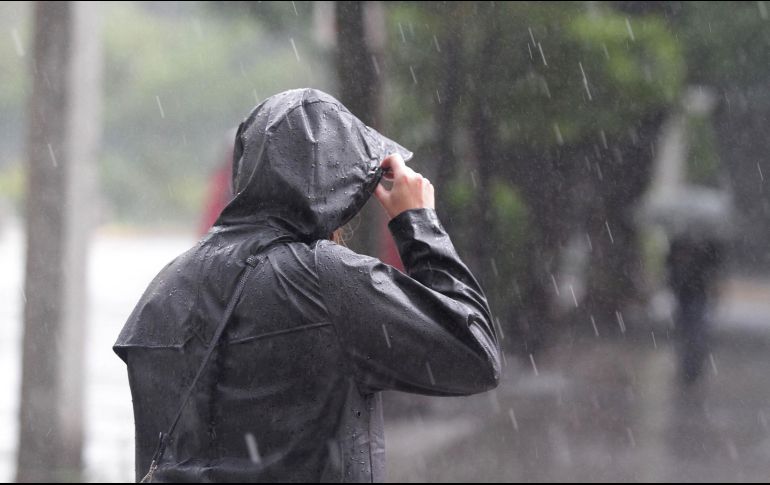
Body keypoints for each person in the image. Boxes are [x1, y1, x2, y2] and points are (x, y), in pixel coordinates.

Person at [113, 88, 501, 482]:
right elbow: (475, 354)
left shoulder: (163, 291)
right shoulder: (324, 280)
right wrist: (418, 221)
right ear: (338, 190)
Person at [666, 236, 724, 384]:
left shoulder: (707, 247)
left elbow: (713, 269)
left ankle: (692, 360)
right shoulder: (679, 244)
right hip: (685, 294)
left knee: (694, 327)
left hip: (695, 293)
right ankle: (689, 360)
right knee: (688, 326)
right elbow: (670, 267)